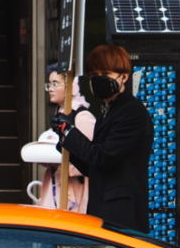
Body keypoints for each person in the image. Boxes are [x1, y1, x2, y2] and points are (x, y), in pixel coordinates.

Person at [59, 43, 153, 234]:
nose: (98, 79)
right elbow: (94, 167)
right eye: (93, 75)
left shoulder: (132, 112)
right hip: (102, 210)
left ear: (124, 76)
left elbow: (102, 156)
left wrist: (70, 133)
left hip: (121, 214)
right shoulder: (107, 112)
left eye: (106, 74)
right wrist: (64, 141)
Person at [36, 69, 94, 212]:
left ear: (71, 86)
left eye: (55, 84)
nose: (50, 89)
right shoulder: (60, 115)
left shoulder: (82, 117)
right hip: (57, 188)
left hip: (73, 194)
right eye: (49, 84)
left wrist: (61, 165)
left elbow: (91, 159)